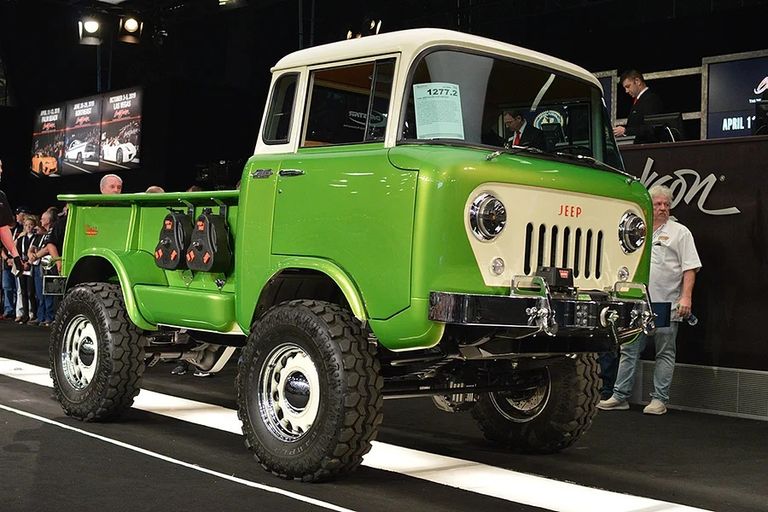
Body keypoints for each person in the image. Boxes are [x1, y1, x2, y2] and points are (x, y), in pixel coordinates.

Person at [598, 184, 701, 415]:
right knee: (629, 349)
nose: (663, 208)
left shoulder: (680, 232)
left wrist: (686, 297)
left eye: (666, 204)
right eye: (658, 204)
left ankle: (659, 400)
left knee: (664, 351)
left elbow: (690, 268)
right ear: (648, 206)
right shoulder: (636, 230)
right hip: (636, 302)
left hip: (666, 302)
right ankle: (620, 396)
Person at [612, 70, 663, 144]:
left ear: (637, 81)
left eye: (628, 86)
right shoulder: (639, 101)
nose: (626, 91)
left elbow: (651, 128)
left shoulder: (650, 99)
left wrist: (625, 131)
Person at [0, 159, 23, 317]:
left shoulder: (1, 196)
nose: (1, 171)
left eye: (1, 167)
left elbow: (3, 228)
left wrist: (15, 255)